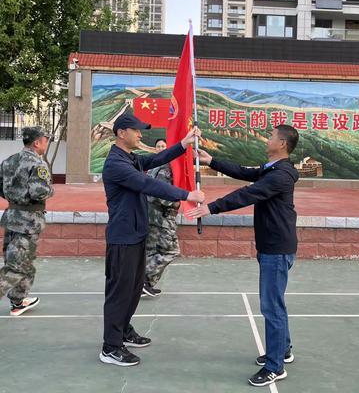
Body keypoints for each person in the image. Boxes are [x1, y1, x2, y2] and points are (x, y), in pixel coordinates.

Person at [189, 124, 299, 387]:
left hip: (276, 248)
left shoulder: (280, 175)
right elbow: (244, 172)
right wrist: (211, 161)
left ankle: (275, 366)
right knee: (275, 303)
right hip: (273, 246)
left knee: (271, 306)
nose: (267, 139)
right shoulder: (271, 169)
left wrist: (211, 208)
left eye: (271, 136)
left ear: (282, 144)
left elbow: (248, 193)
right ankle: (282, 349)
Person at [100, 113, 205, 367]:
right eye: (136, 130)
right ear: (121, 133)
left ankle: (123, 330)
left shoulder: (131, 158)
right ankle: (110, 347)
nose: (140, 134)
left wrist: (184, 143)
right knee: (119, 292)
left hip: (136, 234)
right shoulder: (116, 163)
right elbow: (148, 184)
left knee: (135, 288)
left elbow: (156, 158)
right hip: (123, 237)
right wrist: (187, 194)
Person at [0, 126, 54, 316]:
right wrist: (51, 190)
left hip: (11, 216)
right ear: (37, 142)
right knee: (16, 266)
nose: (47, 143)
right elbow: (39, 192)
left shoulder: (9, 161)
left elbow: (1, 187)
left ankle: (18, 301)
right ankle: (16, 298)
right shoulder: (37, 163)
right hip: (28, 221)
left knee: (24, 261)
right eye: (46, 139)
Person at [142, 138, 181, 298]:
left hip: (151, 215)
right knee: (171, 250)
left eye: (164, 146)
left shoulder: (153, 167)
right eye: (158, 146)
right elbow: (161, 194)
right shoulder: (165, 168)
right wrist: (177, 202)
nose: (161, 148)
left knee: (151, 251)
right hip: (162, 217)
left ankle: (144, 284)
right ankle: (144, 281)